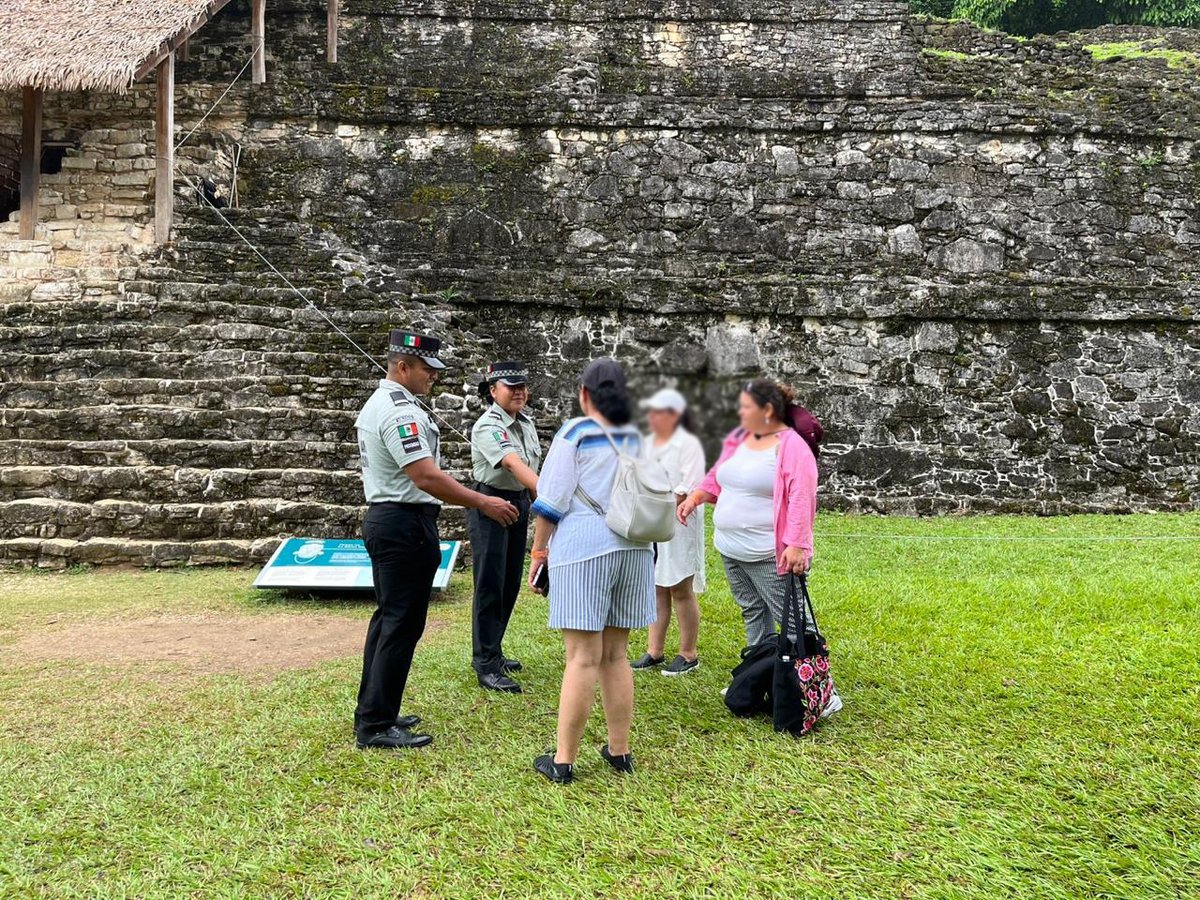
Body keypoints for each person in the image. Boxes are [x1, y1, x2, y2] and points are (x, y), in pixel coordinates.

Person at [353, 329, 520, 750]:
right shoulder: (396, 411)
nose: (433, 376)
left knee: (390, 619)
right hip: (402, 522)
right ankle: (375, 724)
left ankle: (375, 711)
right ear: (402, 366)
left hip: (398, 520)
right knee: (400, 623)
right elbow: (425, 475)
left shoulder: (395, 404)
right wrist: (483, 502)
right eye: (427, 369)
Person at [527, 359, 655, 784]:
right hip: (634, 549)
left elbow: (551, 500)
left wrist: (539, 551)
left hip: (584, 549)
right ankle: (620, 751)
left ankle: (563, 760)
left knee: (582, 658)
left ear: (584, 394)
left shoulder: (576, 432)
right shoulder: (639, 435)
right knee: (616, 655)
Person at [677, 380, 837, 719]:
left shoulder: (791, 446)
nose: (739, 412)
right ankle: (757, 678)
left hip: (769, 552)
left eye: (746, 406)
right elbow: (718, 477)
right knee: (752, 611)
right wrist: (695, 497)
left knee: (794, 621)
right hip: (732, 548)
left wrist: (796, 545)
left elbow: (801, 497)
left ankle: (821, 688)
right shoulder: (739, 438)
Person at [468, 361, 542, 694]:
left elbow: (529, 471)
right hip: (490, 504)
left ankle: (494, 651)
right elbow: (512, 463)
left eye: (523, 386)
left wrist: (537, 502)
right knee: (489, 583)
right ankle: (484, 661)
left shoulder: (525, 423)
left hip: (518, 503)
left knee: (510, 581)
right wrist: (550, 496)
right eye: (511, 387)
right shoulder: (489, 425)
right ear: (493, 389)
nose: (519, 392)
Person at [630, 388, 707, 676]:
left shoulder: (688, 443)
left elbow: (689, 485)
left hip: (678, 521)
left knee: (680, 586)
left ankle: (688, 653)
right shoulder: (648, 443)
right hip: (651, 520)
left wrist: (663, 504)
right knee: (657, 586)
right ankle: (655, 650)